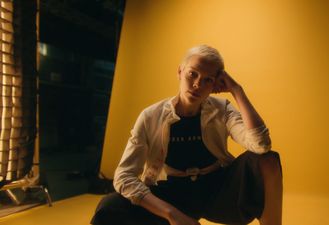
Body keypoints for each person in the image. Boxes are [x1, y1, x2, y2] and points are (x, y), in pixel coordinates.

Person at [91, 45, 283, 225]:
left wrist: (237, 91)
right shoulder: (151, 116)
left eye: (208, 79)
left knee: (267, 160)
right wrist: (171, 214)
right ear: (180, 72)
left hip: (218, 192)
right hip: (173, 194)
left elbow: (261, 144)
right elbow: (124, 177)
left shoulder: (222, 109)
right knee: (108, 208)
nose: (198, 84)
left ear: (216, 84)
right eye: (193, 74)